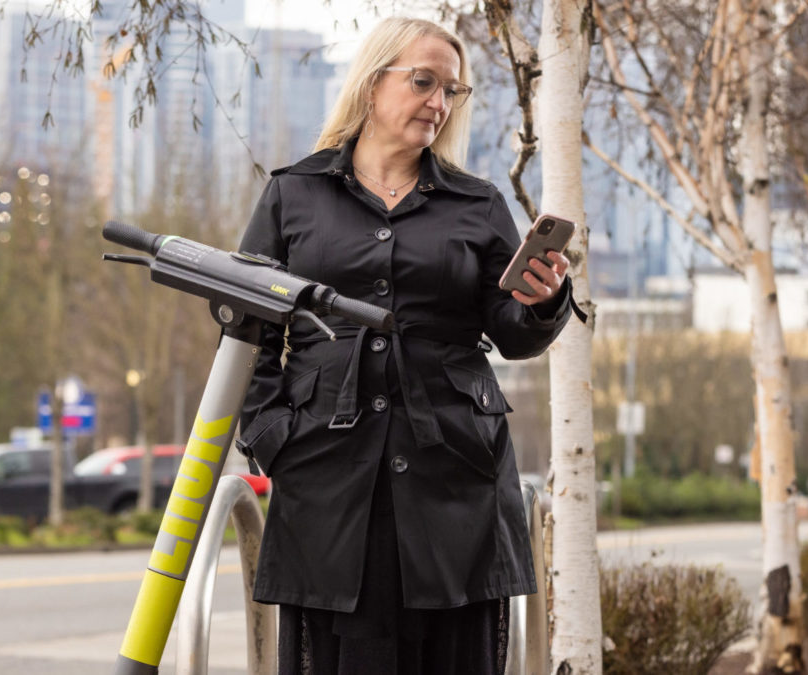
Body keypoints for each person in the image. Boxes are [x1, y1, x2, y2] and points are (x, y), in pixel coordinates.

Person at [235, 16, 576, 675]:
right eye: (423, 82)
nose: (439, 103)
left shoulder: (475, 205)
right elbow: (249, 335)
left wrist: (544, 301)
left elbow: (512, 331)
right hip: (325, 472)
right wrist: (274, 436)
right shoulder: (292, 194)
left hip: (454, 474)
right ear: (371, 84)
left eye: (452, 90)